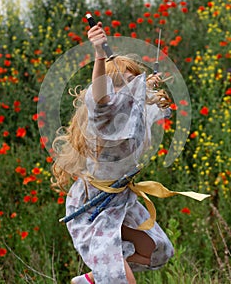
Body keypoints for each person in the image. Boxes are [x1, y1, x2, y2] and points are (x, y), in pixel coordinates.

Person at [51, 22, 175, 284]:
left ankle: (93, 278)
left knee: (158, 250)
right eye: (119, 83)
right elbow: (101, 96)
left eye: (132, 81)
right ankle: (109, 272)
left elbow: (140, 99)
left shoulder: (134, 112)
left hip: (122, 202)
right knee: (121, 280)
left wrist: (149, 84)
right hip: (93, 209)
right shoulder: (103, 119)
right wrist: (99, 55)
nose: (130, 89)